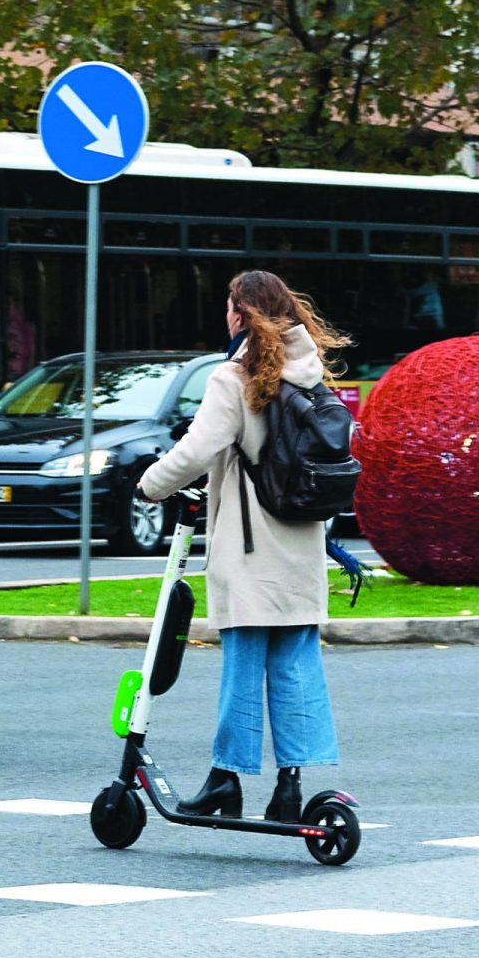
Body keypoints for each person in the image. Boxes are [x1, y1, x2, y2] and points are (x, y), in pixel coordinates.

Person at [136, 269, 348, 824]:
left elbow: (197, 447)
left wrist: (149, 485)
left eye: (229, 305)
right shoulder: (309, 372)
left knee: (244, 666)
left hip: (251, 550)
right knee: (297, 665)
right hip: (302, 543)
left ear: (241, 314)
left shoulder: (235, 375)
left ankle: (225, 780)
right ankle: (289, 789)